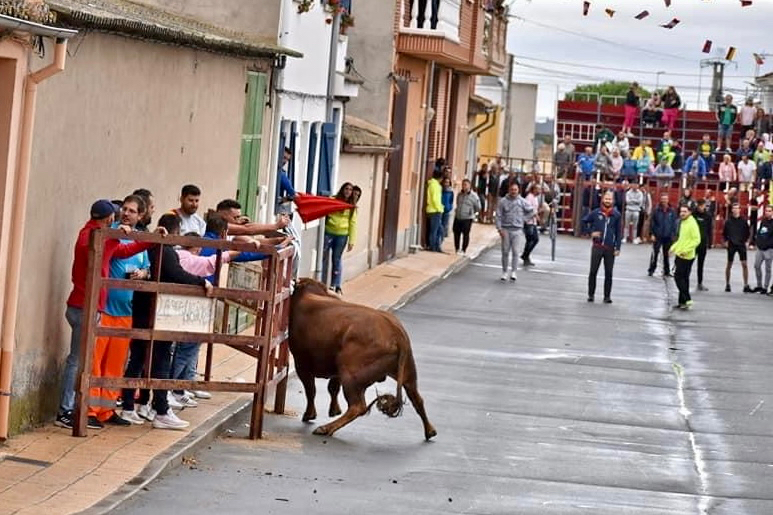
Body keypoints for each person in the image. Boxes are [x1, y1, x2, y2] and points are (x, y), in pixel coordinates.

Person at [55, 200, 156, 430]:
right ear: (110, 218)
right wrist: (114, 234)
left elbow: (124, 249)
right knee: (80, 361)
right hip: (84, 306)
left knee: (86, 360)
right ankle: (67, 410)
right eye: (119, 214)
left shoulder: (102, 236)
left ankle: (93, 410)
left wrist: (147, 240)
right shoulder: (91, 235)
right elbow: (88, 248)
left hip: (88, 306)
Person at [120, 214, 211, 431]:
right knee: (159, 358)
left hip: (144, 309)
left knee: (140, 357)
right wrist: (201, 281)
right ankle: (160, 409)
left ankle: (134, 405)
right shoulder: (163, 249)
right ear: (176, 232)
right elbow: (175, 274)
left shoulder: (149, 246)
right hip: (155, 313)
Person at [89, 195, 150, 427]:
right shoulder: (111, 233)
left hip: (126, 310)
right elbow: (118, 253)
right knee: (96, 362)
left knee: (115, 365)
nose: (126, 213)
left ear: (140, 216)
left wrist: (143, 274)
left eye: (132, 211)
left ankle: (106, 410)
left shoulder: (139, 238)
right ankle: (91, 411)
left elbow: (146, 267)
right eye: (124, 209)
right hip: (106, 308)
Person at [582, 190, 621, 303]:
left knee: (608, 273)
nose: (608, 201)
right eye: (606, 198)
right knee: (593, 271)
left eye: (610, 199)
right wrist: (591, 232)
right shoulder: (596, 213)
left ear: (613, 201)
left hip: (610, 248)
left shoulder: (616, 215)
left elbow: (619, 233)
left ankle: (607, 296)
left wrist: (617, 248)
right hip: (597, 246)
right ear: (602, 199)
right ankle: (591, 294)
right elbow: (584, 221)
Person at [322, 183, 358, 293]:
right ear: (342, 189)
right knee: (323, 257)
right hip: (329, 232)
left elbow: (353, 223)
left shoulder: (352, 206)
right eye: (346, 189)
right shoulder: (333, 200)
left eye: (350, 190)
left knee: (336, 259)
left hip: (342, 235)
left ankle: (335, 284)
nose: (348, 191)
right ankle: (322, 282)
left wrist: (352, 240)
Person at [496, 182, 534, 282]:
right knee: (505, 252)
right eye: (512, 189)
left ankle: (513, 271)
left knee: (516, 252)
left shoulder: (522, 201)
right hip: (506, 229)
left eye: (515, 190)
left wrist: (524, 219)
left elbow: (532, 211)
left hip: (517, 230)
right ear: (509, 190)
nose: (513, 191)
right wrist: (499, 229)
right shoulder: (503, 201)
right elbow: (498, 215)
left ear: (518, 191)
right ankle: (504, 272)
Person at [670, 204, 701, 310]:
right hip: (680, 253)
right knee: (684, 278)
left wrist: (685, 250)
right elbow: (681, 239)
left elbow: (696, 240)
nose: (682, 213)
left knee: (678, 277)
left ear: (690, 212)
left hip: (686, 256)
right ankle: (682, 301)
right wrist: (673, 248)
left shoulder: (692, 224)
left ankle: (687, 298)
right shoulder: (683, 222)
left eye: (685, 211)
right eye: (681, 211)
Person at [723, 202, 752, 293]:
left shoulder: (744, 221)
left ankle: (746, 284)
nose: (735, 210)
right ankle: (727, 284)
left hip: (741, 244)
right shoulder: (728, 221)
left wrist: (747, 242)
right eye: (734, 208)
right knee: (729, 264)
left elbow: (748, 232)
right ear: (732, 210)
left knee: (744, 264)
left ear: (740, 209)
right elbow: (724, 233)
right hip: (731, 244)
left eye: (737, 208)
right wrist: (726, 242)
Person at [649, 193, 677, 277]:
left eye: (666, 199)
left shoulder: (672, 211)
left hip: (668, 236)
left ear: (668, 200)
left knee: (666, 254)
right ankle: (651, 269)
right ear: (661, 200)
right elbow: (652, 223)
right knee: (655, 253)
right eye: (663, 199)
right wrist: (652, 234)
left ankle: (667, 270)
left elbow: (674, 224)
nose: (664, 200)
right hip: (658, 235)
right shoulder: (656, 210)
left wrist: (673, 234)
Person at [453, 179, 480, 255]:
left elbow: (478, 207)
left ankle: (464, 249)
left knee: (466, 234)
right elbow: (457, 203)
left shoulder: (474, 196)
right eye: (463, 184)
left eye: (466, 184)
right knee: (456, 233)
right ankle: (457, 248)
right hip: (458, 216)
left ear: (469, 185)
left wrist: (472, 212)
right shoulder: (459, 194)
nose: (464, 186)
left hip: (467, 218)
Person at [693, 199, 713, 291]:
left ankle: (700, 283)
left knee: (701, 264)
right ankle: (685, 280)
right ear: (697, 205)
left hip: (703, 243)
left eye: (703, 206)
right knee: (689, 263)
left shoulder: (708, 216)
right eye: (700, 206)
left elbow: (710, 230)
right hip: (693, 243)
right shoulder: (693, 215)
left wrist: (710, 242)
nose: (701, 207)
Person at [753, 204, 773, 294]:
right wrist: (757, 241)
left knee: (767, 268)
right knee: (757, 266)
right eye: (766, 211)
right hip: (760, 248)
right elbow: (760, 232)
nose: (767, 212)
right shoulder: (763, 221)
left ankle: (765, 287)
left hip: (769, 249)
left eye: (769, 211)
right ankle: (759, 285)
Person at [522, 184, 541, 267]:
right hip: (529, 221)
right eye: (538, 189)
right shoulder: (529, 198)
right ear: (533, 190)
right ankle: (525, 255)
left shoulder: (535, 198)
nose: (539, 191)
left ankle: (526, 255)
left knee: (534, 239)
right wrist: (535, 214)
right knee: (531, 239)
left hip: (533, 222)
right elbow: (528, 209)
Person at [277, 146, 297, 214]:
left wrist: (282, 200)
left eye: (287, 159)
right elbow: (292, 193)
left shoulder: (281, 173)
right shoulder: (281, 174)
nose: (285, 161)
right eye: (284, 158)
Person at [440, 176, 454, 242]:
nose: (446, 184)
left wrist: (450, 207)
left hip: (446, 211)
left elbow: (451, 200)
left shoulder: (450, 191)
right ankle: (439, 239)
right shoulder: (440, 190)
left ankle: (441, 240)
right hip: (440, 210)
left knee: (444, 226)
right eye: (445, 182)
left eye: (448, 182)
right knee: (440, 226)